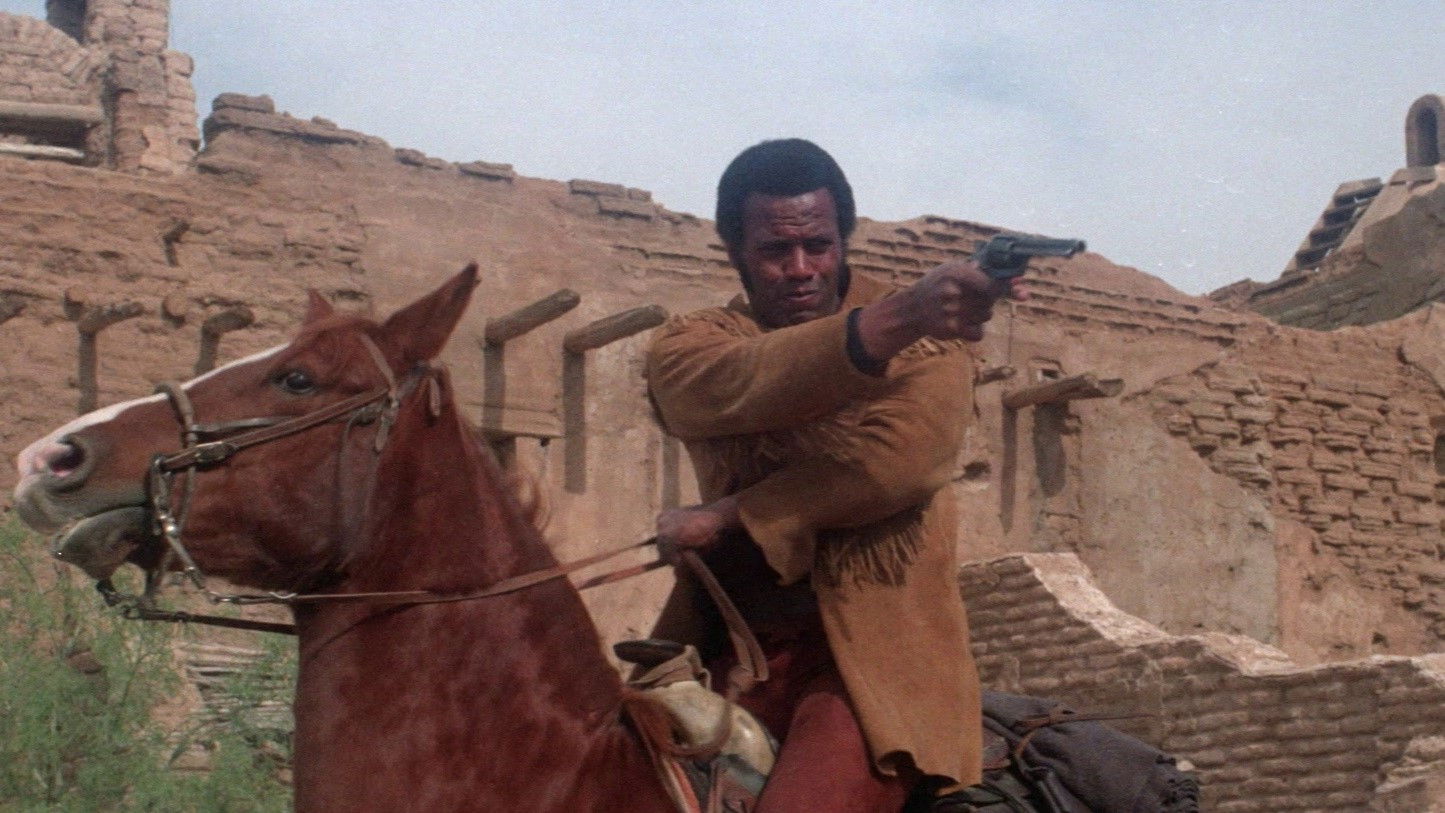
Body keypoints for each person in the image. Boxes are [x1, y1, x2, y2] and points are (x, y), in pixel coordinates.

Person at [644, 138, 1023, 812]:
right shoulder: (695, 341)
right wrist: (892, 321)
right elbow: (713, 387)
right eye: (775, 251)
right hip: (723, 644)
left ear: (842, 240)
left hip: (872, 668)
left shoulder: (934, 340)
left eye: (817, 246)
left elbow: (896, 464)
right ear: (735, 251)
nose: (800, 269)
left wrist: (727, 515)